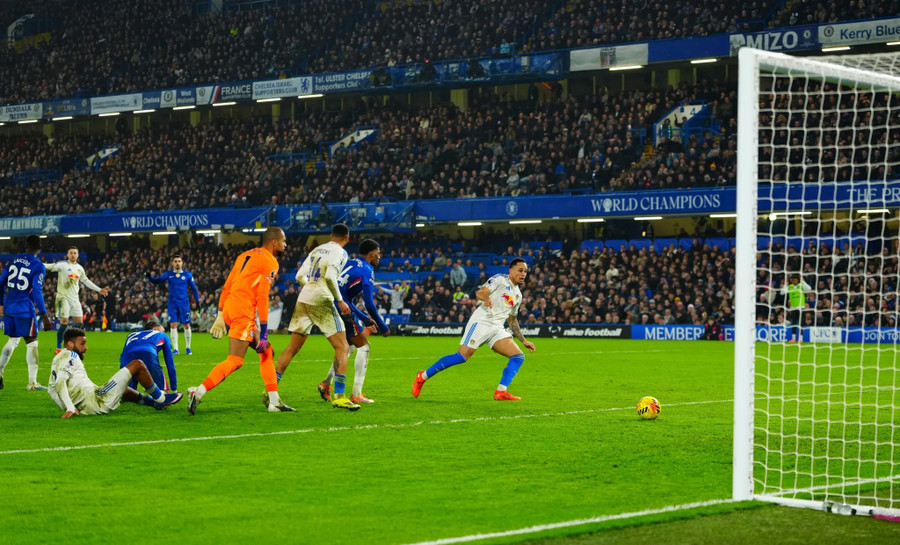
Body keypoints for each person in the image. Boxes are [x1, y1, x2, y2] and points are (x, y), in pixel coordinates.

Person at [187, 227, 293, 414]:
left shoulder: (245, 255)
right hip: (243, 311)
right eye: (283, 241)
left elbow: (227, 285)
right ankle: (198, 391)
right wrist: (265, 331)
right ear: (274, 242)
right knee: (235, 360)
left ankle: (274, 400)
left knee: (267, 351)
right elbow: (262, 296)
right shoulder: (270, 261)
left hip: (231, 307)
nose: (285, 244)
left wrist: (221, 314)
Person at [413, 258, 535, 401]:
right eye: (520, 270)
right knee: (462, 356)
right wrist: (486, 298)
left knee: (518, 356)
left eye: (525, 271)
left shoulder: (518, 295)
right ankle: (422, 376)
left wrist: (523, 340)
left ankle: (501, 391)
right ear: (511, 270)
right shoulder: (500, 280)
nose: (523, 274)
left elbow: (512, 319)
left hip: (497, 327)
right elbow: (480, 292)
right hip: (482, 321)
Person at [275, 224, 358, 410]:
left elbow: (299, 276)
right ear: (346, 238)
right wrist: (340, 301)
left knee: (292, 347)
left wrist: (310, 288)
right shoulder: (341, 253)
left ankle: (271, 390)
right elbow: (329, 277)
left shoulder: (317, 249)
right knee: (342, 346)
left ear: (331, 235)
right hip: (322, 300)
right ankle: (339, 396)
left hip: (304, 298)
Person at [309, 239, 390, 404]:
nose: (379, 257)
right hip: (340, 307)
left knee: (347, 347)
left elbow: (345, 296)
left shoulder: (350, 262)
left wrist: (364, 319)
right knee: (364, 346)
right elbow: (369, 304)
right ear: (371, 253)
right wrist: (383, 326)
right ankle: (356, 394)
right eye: (378, 253)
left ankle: (326, 384)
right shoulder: (367, 270)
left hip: (328, 302)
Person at [48, 328, 182, 417]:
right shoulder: (71, 355)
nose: (86, 347)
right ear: (70, 345)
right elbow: (60, 382)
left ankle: (153, 403)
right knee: (137, 364)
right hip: (95, 399)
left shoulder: (57, 359)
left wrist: (69, 406)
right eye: (82, 343)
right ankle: (161, 399)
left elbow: (51, 390)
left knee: (124, 389)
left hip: (86, 406)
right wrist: (70, 408)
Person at [0, 235, 53, 390]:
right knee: (32, 343)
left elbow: (1, 282)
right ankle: (32, 383)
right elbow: (36, 290)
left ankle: (0, 372)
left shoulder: (12, 261)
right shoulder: (38, 265)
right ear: (39, 248)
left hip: (10, 307)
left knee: (13, 340)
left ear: (26, 246)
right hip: (24, 309)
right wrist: (44, 314)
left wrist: (1, 303)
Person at [45, 246, 109, 353]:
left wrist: (99, 290)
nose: (73, 255)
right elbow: (49, 266)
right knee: (64, 323)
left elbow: (86, 281)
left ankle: (73, 345)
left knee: (79, 323)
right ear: (67, 254)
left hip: (75, 299)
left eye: (75, 253)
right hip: (63, 298)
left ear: (78, 255)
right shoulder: (62, 265)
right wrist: (34, 263)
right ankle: (58, 347)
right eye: (71, 253)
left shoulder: (80, 268)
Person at [147, 255, 200, 355]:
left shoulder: (187, 275)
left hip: (184, 303)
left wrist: (197, 302)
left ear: (182, 263)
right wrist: (150, 277)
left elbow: (194, 288)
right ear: (172, 263)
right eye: (175, 261)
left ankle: (188, 348)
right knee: (173, 324)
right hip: (172, 303)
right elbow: (157, 281)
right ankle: (176, 349)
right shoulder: (169, 274)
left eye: (179, 261)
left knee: (187, 325)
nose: (177, 263)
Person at [120, 317, 176, 392]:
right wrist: (174, 388)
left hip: (128, 360)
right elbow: (170, 362)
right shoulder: (162, 335)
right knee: (163, 392)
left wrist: (124, 372)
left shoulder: (131, 334)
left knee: (129, 392)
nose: (164, 332)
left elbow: (124, 355)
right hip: (148, 355)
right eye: (163, 330)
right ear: (155, 328)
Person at [781, 274, 812, 342]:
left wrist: (802, 281)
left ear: (798, 280)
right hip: (793, 308)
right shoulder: (790, 287)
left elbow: (809, 288)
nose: (794, 281)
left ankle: (800, 339)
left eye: (795, 280)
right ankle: (793, 338)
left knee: (801, 323)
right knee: (793, 323)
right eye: (793, 280)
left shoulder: (801, 286)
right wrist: (785, 285)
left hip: (801, 307)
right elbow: (782, 293)